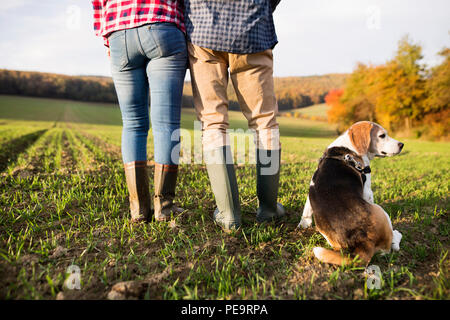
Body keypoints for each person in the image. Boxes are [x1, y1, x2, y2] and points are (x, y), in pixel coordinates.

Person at [184, 0, 285, 231]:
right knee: (264, 121)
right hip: (252, 27)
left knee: (212, 122)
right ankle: (268, 210)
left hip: (203, 28)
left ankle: (229, 215)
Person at [92, 0, 187, 222]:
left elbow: (97, 4)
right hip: (164, 27)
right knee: (166, 125)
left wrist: (107, 39)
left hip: (119, 33)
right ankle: (164, 207)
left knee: (133, 124)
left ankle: (138, 210)